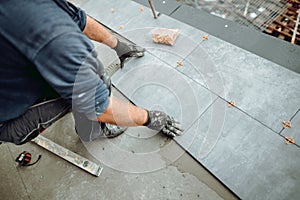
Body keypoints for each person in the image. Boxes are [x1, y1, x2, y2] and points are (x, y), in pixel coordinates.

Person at [0, 0, 182, 145]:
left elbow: (80, 20)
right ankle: (91, 133)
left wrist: (118, 45)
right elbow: (99, 107)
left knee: (91, 71)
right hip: (7, 121)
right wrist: (149, 118)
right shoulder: (55, 36)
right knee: (93, 85)